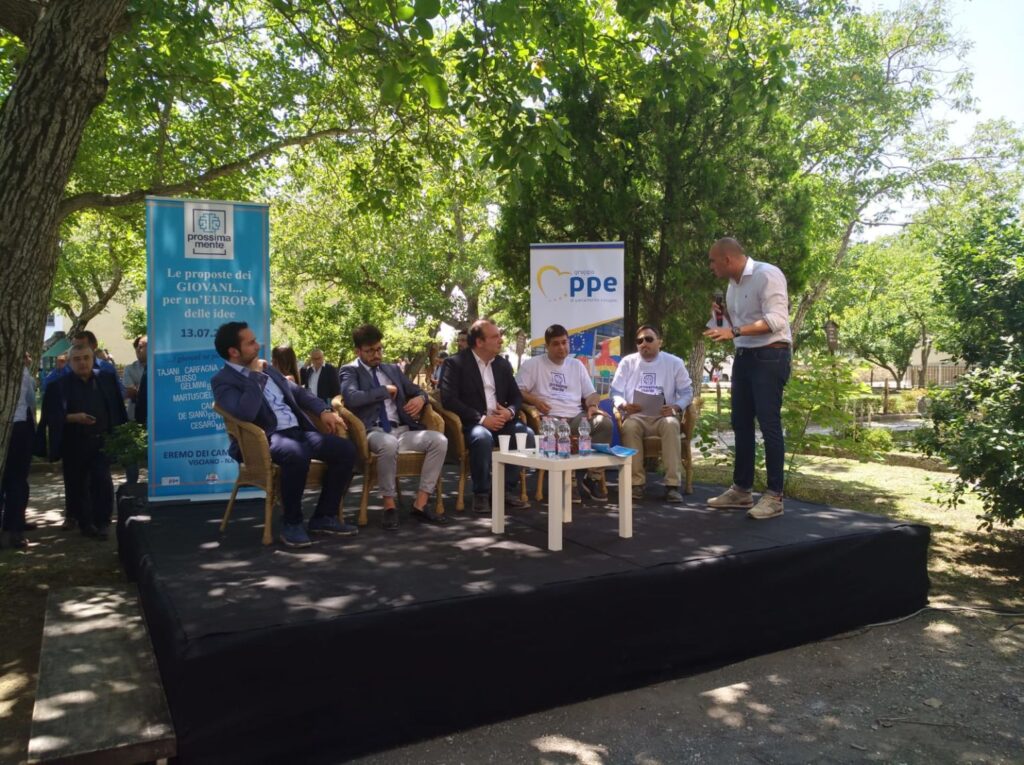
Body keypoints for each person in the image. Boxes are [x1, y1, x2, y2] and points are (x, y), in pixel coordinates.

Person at [211, 322, 357, 547]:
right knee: (295, 453)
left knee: (346, 449)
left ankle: (324, 516)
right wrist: (255, 376)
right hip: (266, 437)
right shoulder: (223, 381)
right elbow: (245, 413)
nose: (257, 345)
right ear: (234, 351)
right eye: (251, 343)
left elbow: (298, 393)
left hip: (298, 431)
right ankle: (292, 522)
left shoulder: (268, 369)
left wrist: (323, 411)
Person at [703, 237, 792, 520]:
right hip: (744, 356)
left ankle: (775, 497)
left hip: (770, 356)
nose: (710, 267)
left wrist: (735, 331)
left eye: (712, 261)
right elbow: (740, 326)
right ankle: (742, 490)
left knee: (769, 423)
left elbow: (777, 320)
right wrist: (724, 318)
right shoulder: (732, 285)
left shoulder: (767, 274)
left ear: (727, 259)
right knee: (740, 423)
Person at [340, 324, 449, 530]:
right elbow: (352, 398)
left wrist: (421, 398)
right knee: (388, 444)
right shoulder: (350, 370)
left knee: (439, 441)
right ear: (358, 351)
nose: (376, 355)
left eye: (379, 349)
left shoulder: (392, 369)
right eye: (370, 351)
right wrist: (384, 390)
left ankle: (420, 504)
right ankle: (389, 506)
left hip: (401, 430)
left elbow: (416, 390)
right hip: (373, 432)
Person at [439, 319, 532, 514]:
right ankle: (481, 493)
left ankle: (505, 490)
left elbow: (516, 396)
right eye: (495, 336)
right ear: (479, 342)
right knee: (482, 437)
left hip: (502, 420)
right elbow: (449, 400)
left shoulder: (502, 365)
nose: (501, 340)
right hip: (473, 423)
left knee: (525, 434)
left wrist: (509, 412)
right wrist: (482, 419)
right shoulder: (455, 363)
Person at [37, 344, 127, 539]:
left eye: (86, 358)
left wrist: (119, 436)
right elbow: (50, 417)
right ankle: (86, 524)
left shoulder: (107, 379)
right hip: (73, 443)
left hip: (101, 441)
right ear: (70, 362)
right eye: (77, 359)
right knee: (77, 486)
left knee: (102, 481)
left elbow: (117, 409)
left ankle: (103, 523)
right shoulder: (58, 386)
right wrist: (73, 417)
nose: (82, 363)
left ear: (93, 359)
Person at [516, 324, 612, 502]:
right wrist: (535, 401)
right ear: (547, 346)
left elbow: (591, 394)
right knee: (561, 429)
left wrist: (592, 405)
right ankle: (569, 481)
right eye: (556, 344)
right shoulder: (533, 365)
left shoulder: (576, 365)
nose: (561, 347)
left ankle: (593, 478)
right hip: (548, 419)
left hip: (575, 416)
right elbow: (516, 391)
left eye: (564, 342)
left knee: (604, 423)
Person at [610, 324, 693, 503]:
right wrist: (623, 404)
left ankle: (672, 486)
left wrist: (676, 407)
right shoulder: (627, 362)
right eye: (639, 341)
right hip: (636, 416)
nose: (644, 344)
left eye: (648, 339)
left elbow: (687, 393)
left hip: (664, 416)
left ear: (659, 342)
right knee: (629, 427)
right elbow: (615, 391)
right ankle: (636, 484)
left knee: (671, 425)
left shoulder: (674, 362)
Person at [1, 353, 36, 549]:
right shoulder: (22, 373)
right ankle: (15, 529)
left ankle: (11, 524)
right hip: (18, 427)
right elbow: (30, 400)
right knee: (17, 480)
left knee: (10, 480)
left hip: (13, 426)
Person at [123, 335, 147, 422]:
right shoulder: (129, 369)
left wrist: (139, 387)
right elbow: (130, 392)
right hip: (134, 417)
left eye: (140, 347)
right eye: (136, 347)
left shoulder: (160, 368)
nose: (137, 350)